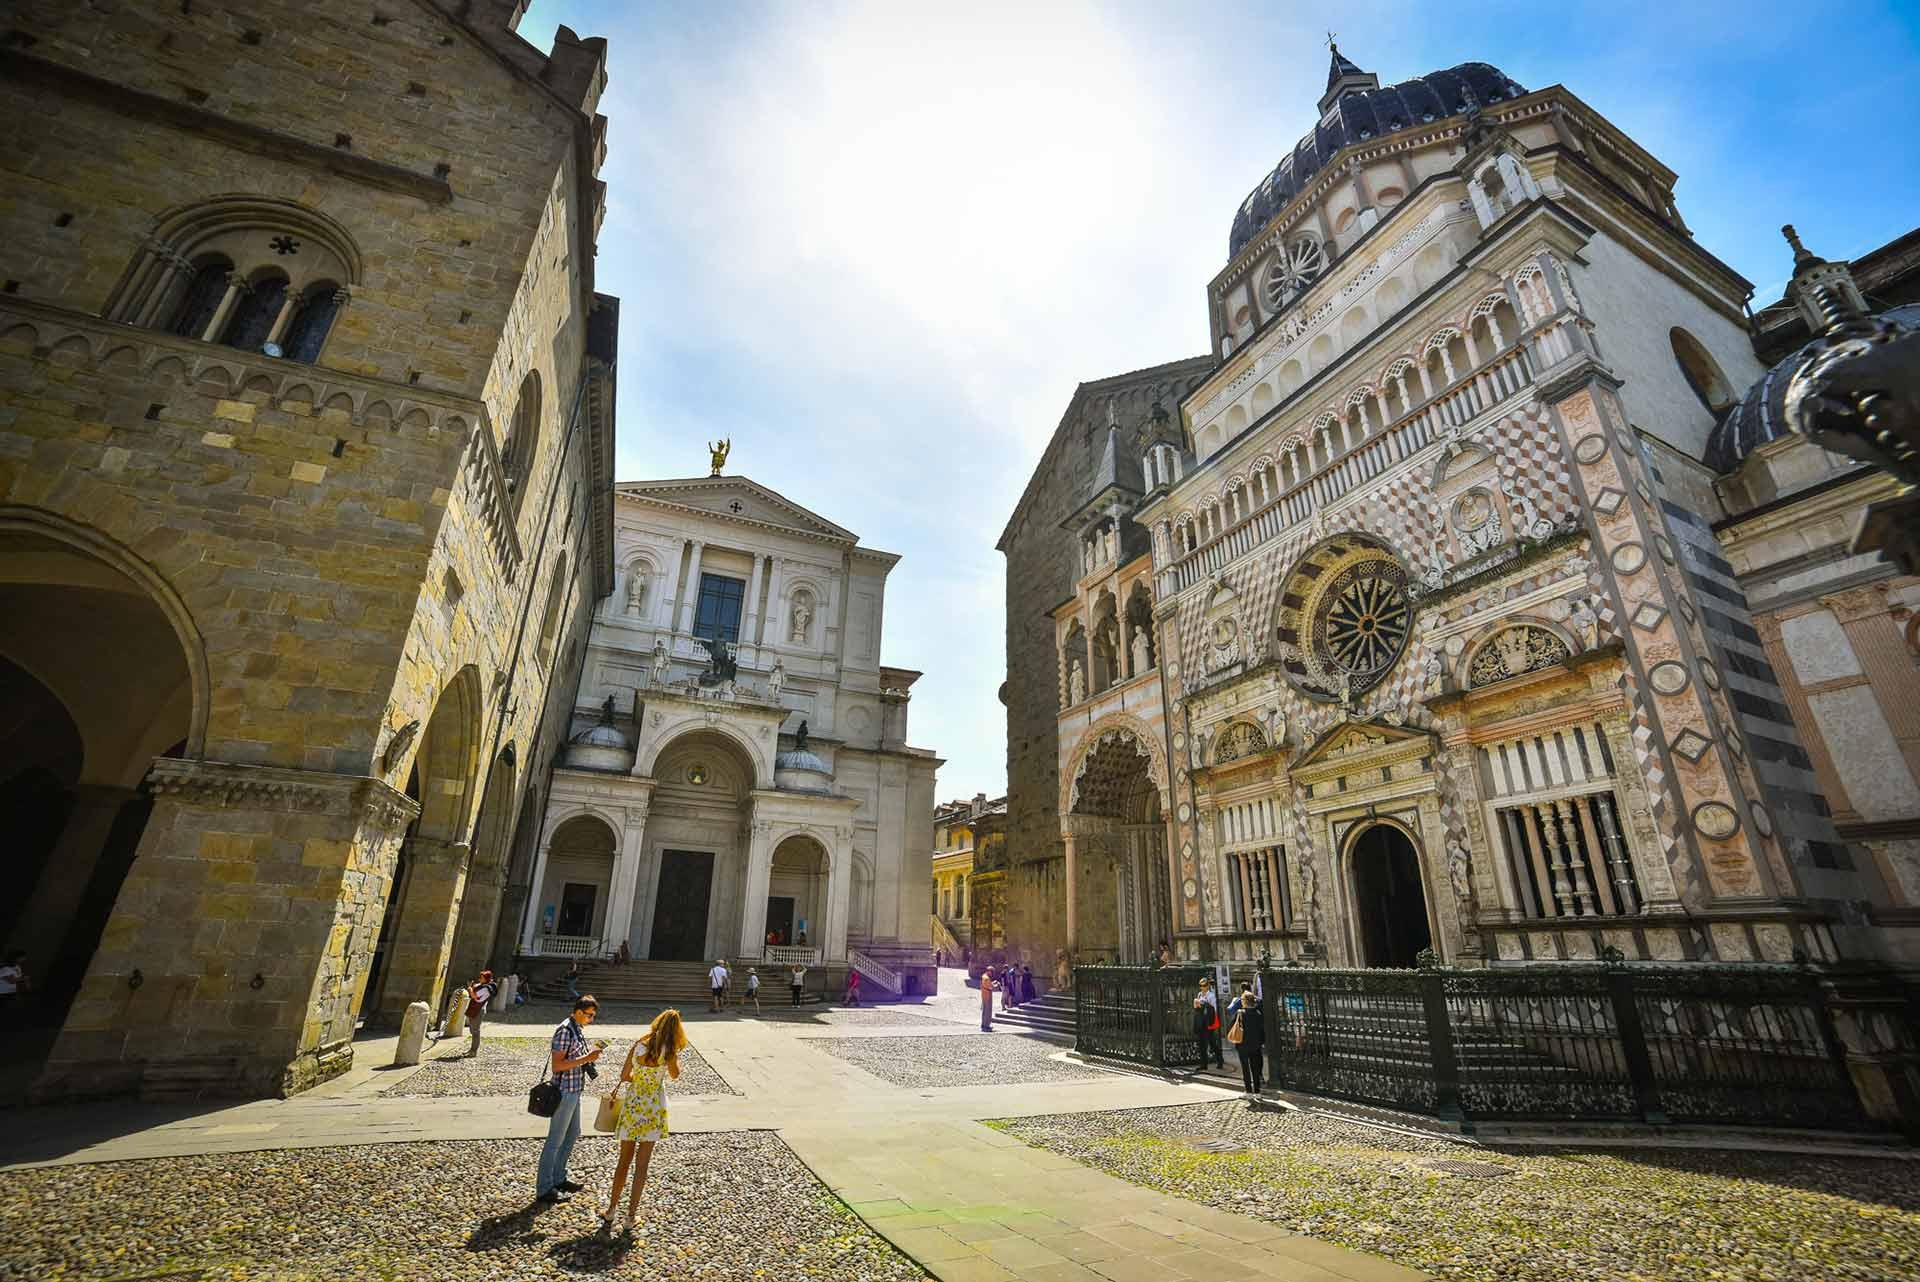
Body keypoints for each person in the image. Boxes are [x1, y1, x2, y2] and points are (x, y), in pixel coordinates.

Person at [598, 1007, 687, 1238]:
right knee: (642, 1165)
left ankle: (611, 1210)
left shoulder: (639, 1044)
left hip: (633, 1105)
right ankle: (630, 1217)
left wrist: (639, 1076)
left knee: (623, 1162)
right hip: (654, 1109)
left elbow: (624, 1076)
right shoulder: (669, 1050)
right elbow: (675, 1075)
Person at [537, 994, 604, 1204]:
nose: (591, 1019)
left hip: (574, 1090)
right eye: (589, 1015)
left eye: (593, 1016)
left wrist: (589, 1055)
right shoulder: (565, 1030)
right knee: (555, 1140)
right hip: (564, 1091)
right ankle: (544, 1188)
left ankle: (558, 1177)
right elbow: (558, 1065)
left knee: (573, 1133)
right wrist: (587, 1058)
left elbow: (573, 1058)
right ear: (578, 1011)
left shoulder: (577, 1029)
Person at [1225, 982, 1267, 1097]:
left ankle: (1248, 1091)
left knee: (1245, 1068)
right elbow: (1262, 1029)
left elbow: (1230, 1027)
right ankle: (1257, 1091)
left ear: (1244, 1002)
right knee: (1256, 1068)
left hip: (1242, 1044)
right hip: (1256, 1044)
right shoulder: (1258, 1013)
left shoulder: (1240, 1014)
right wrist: (1261, 1042)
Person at [1193, 975, 1224, 1069]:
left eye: (1204, 985)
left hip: (1208, 1022)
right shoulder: (1199, 994)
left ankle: (1220, 1060)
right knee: (1202, 1044)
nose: (1202, 988)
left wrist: (1203, 1004)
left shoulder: (1211, 995)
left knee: (1212, 1043)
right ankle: (1204, 1064)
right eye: (1201, 986)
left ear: (1207, 986)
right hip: (1201, 1022)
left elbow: (1213, 1009)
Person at [465, 969, 498, 1056]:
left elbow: (475, 996)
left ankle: (473, 1051)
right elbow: (476, 986)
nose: (480, 979)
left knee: (475, 1031)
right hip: (474, 1008)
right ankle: (472, 1050)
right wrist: (472, 985)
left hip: (478, 1010)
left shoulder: (486, 989)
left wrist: (469, 988)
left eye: (481, 977)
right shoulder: (483, 985)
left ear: (486, 979)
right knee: (472, 1030)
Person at [0, 951, 27, 1023]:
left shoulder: (17, 967)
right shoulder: (5, 968)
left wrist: (23, 980)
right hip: (2, 992)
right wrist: (23, 979)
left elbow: (19, 977)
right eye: (22, 957)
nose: (24, 959)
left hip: (11, 991)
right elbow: (11, 980)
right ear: (16, 958)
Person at [980, 966, 995, 1032]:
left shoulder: (984, 976)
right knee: (987, 1011)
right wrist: (996, 985)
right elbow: (990, 987)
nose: (992, 973)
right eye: (991, 972)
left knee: (984, 1011)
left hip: (984, 995)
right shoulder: (987, 978)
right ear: (989, 971)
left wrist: (992, 983)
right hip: (988, 995)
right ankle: (986, 1025)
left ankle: (983, 1024)